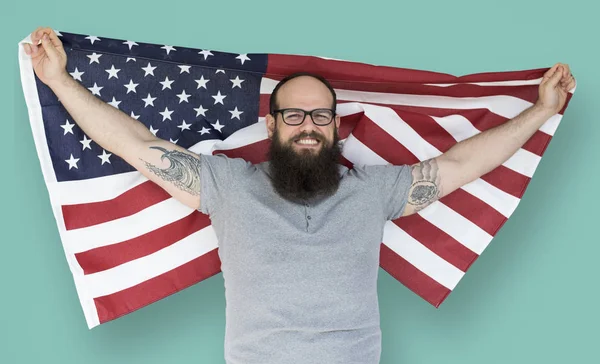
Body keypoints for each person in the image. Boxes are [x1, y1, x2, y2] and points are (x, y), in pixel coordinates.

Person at [23, 27, 575, 364]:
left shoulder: (375, 191)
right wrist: (59, 81)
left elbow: (461, 163)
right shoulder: (226, 185)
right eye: (294, 115)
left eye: (320, 116)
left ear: (336, 128)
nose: (307, 126)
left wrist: (542, 109)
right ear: (272, 127)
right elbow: (136, 143)